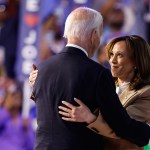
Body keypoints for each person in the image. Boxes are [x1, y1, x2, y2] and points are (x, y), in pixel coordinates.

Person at [29, 7, 150, 150]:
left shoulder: (41, 69)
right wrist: (145, 134)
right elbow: (120, 125)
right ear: (94, 35)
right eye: (99, 34)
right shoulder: (98, 74)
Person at [57, 35, 150, 150]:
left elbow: (123, 127)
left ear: (136, 61)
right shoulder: (104, 83)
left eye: (120, 55)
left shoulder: (146, 93)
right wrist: (41, 81)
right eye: (111, 54)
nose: (112, 60)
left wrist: (89, 117)